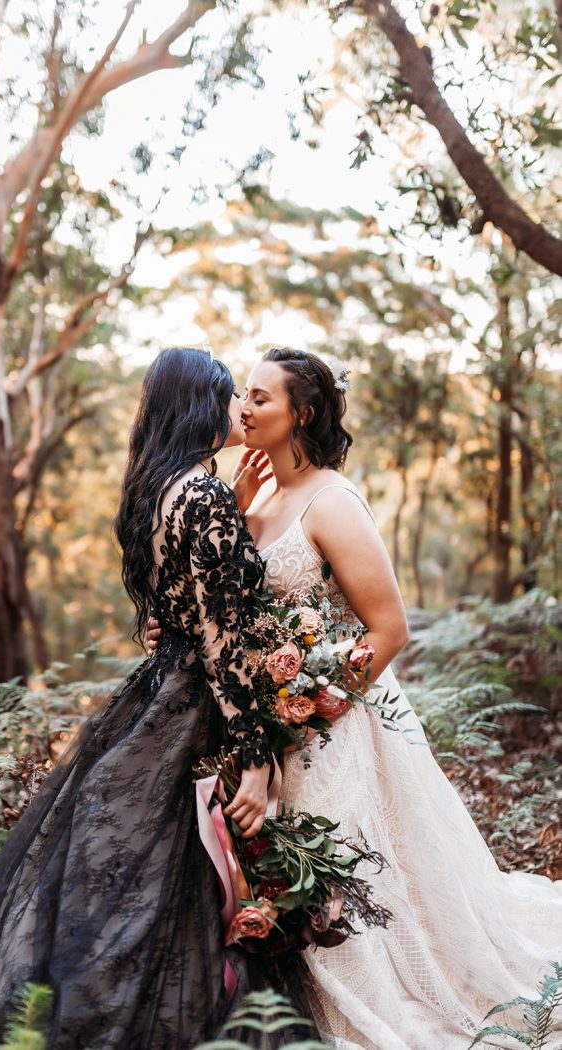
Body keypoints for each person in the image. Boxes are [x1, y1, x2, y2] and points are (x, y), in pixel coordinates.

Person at [149, 346, 562, 1050]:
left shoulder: (332, 501)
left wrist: (312, 705)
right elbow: (228, 605)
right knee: (288, 881)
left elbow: (388, 629)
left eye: (260, 398)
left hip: (332, 729)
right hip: (264, 726)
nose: (243, 408)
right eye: (243, 395)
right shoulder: (254, 497)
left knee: (350, 879)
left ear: (301, 413)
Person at [0, 347, 276, 1050]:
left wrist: (234, 510)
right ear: (200, 407)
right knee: (168, 867)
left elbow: (173, 610)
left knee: (150, 869)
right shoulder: (205, 496)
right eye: (227, 396)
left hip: (155, 690)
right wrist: (256, 751)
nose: (236, 408)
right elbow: (221, 639)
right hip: (192, 702)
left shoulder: (158, 490)